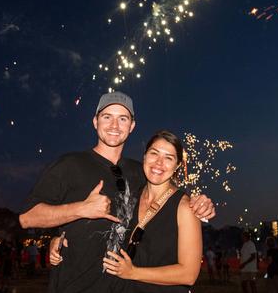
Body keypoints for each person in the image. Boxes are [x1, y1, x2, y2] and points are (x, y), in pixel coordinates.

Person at [20, 92, 216, 292]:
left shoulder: (140, 172)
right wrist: (79, 210)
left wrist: (201, 203)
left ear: (132, 126)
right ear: (95, 121)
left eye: (122, 119)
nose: (114, 126)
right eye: (107, 117)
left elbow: (167, 190)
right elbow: (27, 218)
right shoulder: (69, 165)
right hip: (74, 286)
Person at [100, 131, 202, 291]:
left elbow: (189, 274)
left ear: (177, 166)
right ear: (145, 156)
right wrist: (61, 236)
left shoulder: (185, 208)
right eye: (154, 154)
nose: (159, 163)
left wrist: (133, 272)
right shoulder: (131, 196)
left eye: (169, 158)